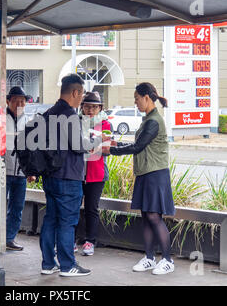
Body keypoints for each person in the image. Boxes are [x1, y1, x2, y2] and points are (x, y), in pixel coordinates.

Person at [39, 73, 109, 277]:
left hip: (50, 176)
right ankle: (68, 265)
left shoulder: (50, 112)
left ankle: (47, 263)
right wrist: (98, 140)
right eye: (82, 95)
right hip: (68, 176)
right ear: (76, 92)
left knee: (51, 219)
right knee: (67, 221)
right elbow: (79, 146)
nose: (82, 100)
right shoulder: (69, 115)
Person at [103, 82, 175, 275]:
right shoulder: (148, 119)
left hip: (155, 174)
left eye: (136, 98)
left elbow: (138, 147)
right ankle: (150, 258)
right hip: (146, 173)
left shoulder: (154, 121)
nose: (135, 103)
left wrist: (111, 150)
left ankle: (167, 260)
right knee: (146, 216)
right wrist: (115, 144)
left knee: (153, 216)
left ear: (146, 97)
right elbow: (138, 144)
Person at [78, 91, 111, 256]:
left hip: (96, 173)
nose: (90, 110)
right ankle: (71, 240)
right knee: (74, 207)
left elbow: (106, 148)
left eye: (94, 107)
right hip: (77, 173)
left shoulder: (106, 124)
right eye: (87, 106)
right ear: (82, 107)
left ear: (100, 108)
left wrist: (93, 144)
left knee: (91, 208)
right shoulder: (76, 122)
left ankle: (90, 241)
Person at [5, 86, 35, 250]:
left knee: (17, 208)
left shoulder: (27, 120)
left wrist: (30, 171)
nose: (19, 104)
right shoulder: (1, 118)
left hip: (21, 173)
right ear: (8, 101)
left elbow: (29, 148)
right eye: (15, 100)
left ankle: (9, 238)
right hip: (3, 172)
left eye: (22, 101)